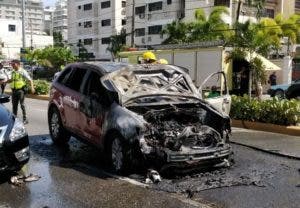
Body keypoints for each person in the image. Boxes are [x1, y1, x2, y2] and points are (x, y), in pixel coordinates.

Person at [8, 60, 35, 124]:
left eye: (13, 64)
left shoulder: (22, 71)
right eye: (12, 64)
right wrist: (4, 82)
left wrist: (32, 88)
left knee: (22, 105)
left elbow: (30, 80)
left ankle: (25, 119)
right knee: (14, 105)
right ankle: (14, 119)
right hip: (14, 91)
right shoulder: (13, 72)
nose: (12, 65)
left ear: (18, 64)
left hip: (20, 91)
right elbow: (11, 80)